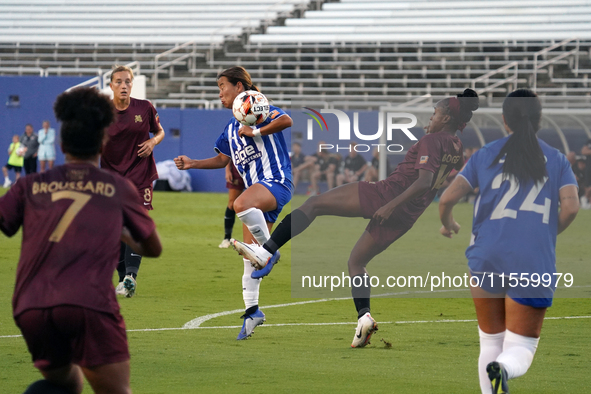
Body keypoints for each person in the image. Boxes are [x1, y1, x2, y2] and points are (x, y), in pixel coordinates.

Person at [232, 88, 480, 348]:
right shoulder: (458, 146)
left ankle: (266, 251)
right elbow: (437, 185)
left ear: (447, 118)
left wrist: (389, 205)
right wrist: (446, 220)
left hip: (388, 197)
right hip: (408, 216)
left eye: (435, 114)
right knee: (356, 262)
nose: (430, 119)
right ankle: (364, 318)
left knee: (315, 204)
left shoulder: (433, 140)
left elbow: (423, 182)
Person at [0, 87, 162, 394]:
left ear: (61, 145)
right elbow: (153, 247)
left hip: (31, 306)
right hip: (88, 304)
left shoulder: (30, 186)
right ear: (103, 143)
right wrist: (121, 231)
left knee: (65, 385)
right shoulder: (115, 187)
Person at [438, 89, 579, 394]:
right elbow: (571, 207)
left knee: (490, 340)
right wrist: (547, 232)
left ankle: (494, 374)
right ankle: (503, 369)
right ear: (539, 120)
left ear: (504, 120)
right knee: (521, 349)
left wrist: (448, 223)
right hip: (532, 260)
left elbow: (447, 199)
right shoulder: (556, 160)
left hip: (486, 256)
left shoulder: (486, 154)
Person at [174, 66, 293, 340]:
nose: (220, 93)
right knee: (248, 258)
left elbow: (286, 120)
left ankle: (271, 252)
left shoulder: (258, 108)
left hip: (275, 182)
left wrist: (255, 133)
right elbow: (222, 159)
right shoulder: (229, 128)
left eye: (222, 86)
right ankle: (253, 313)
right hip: (258, 197)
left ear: (239, 87)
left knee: (239, 205)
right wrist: (193, 163)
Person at [101, 65, 165, 297]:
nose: (124, 85)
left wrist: (152, 142)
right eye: (119, 81)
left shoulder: (144, 107)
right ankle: (123, 281)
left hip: (140, 176)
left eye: (128, 81)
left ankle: (131, 276)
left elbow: (160, 131)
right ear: (111, 86)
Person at [219, 162, 245, 249]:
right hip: (238, 167)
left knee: (258, 204)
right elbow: (228, 152)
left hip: (256, 167)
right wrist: (228, 170)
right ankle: (227, 238)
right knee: (232, 203)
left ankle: (257, 241)